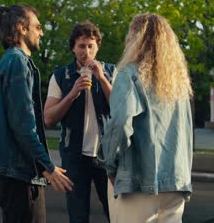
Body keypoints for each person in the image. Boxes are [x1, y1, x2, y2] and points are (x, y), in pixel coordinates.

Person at [102, 13, 194, 223]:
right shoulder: (179, 84)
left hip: (138, 183)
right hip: (176, 182)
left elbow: (119, 124)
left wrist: (109, 164)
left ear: (135, 38)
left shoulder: (129, 75)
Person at [0, 4, 73, 223]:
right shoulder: (17, 62)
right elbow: (24, 126)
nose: (42, 32)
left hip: (18, 172)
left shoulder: (13, 61)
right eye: (38, 27)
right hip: (19, 176)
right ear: (21, 28)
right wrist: (47, 166)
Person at [44, 21, 114, 223]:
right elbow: (48, 118)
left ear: (97, 47)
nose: (86, 52)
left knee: (116, 213)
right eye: (81, 46)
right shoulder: (60, 76)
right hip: (74, 156)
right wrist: (72, 93)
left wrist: (102, 78)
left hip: (106, 155)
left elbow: (121, 107)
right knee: (78, 216)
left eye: (91, 46)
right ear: (73, 48)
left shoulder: (111, 72)